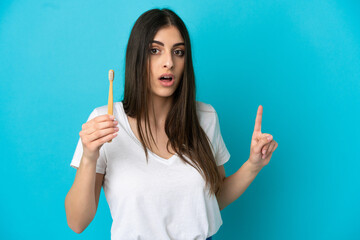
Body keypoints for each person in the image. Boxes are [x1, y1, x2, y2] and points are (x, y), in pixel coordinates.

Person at [65, 8, 278, 240]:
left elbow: (211, 201)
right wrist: (88, 156)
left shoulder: (205, 117)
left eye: (179, 52)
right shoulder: (104, 121)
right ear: (136, 57)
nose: (169, 62)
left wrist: (254, 164)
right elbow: (77, 222)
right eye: (155, 51)